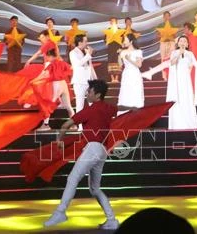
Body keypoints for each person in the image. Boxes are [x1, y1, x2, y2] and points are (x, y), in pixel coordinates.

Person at [44, 79, 137, 230]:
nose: (87, 93)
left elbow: (66, 125)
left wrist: (59, 140)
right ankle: (112, 220)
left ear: (97, 95)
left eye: (90, 91)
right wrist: (132, 108)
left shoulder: (90, 110)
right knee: (95, 189)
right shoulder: (107, 107)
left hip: (93, 148)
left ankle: (60, 212)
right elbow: (119, 107)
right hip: (102, 151)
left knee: (72, 178)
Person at [32, 49, 75, 132]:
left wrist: (34, 80)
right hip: (63, 83)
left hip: (56, 84)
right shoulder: (62, 63)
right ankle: (74, 124)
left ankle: (45, 125)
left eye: (47, 57)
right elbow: (72, 69)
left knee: (48, 105)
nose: (47, 59)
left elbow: (45, 74)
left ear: (50, 56)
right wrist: (64, 75)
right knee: (68, 106)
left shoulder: (51, 64)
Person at [167, 35, 197, 130]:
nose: (182, 43)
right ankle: (177, 124)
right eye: (181, 41)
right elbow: (172, 63)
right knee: (178, 100)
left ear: (187, 44)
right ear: (178, 43)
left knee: (187, 98)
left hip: (186, 80)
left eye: (184, 41)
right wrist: (179, 53)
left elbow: (195, 64)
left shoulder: (190, 54)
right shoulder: (174, 53)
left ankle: (189, 124)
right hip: (177, 81)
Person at [117, 33, 144, 112]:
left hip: (135, 74)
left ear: (131, 41)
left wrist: (129, 60)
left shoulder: (138, 51)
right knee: (126, 93)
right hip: (126, 74)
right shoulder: (123, 52)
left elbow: (139, 65)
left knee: (135, 92)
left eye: (125, 40)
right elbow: (120, 65)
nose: (124, 42)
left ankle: (136, 112)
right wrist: (119, 55)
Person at [69, 35, 96, 114]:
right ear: (80, 42)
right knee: (80, 105)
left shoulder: (84, 52)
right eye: (85, 41)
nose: (87, 43)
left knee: (93, 103)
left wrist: (94, 78)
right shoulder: (73, 53)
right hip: (80, 82)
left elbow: (89, 66)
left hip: (88, 81)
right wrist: (88, 55)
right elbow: (78, 64)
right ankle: (80, 122)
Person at [156, 11, 178, 80]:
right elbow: (157, 35)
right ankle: (164, 76)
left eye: (168, 16)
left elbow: (175, 35)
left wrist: (170, 34)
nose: (166, 17)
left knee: (172, 58)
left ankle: (171, 74)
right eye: (165, 16)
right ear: (163, 17)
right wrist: (162, 34)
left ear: (169, 17)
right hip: (163, 43)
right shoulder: (160, 25)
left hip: (171, 43)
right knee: (163, 59)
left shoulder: (173, 25)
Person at [103, 17, 124, 82]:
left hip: (118, 48)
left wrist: (121, 47)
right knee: (110, 63)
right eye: (111, 21)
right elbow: (105, 40)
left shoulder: (120, 30)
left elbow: (123, 39)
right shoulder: (108, 30)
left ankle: (117, 78)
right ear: (110, 22)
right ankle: (112, 78)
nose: (113, 22)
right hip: (111, 49)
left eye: (114, 21)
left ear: (116, 22)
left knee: (118, 62)